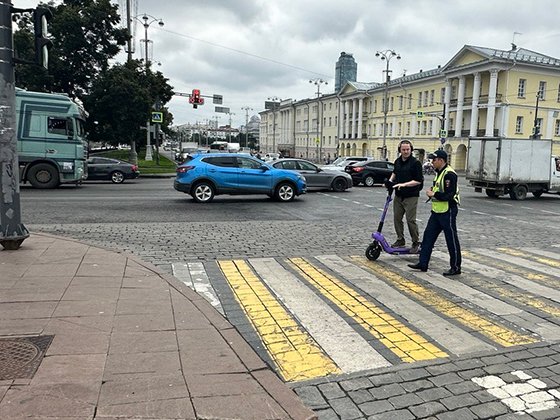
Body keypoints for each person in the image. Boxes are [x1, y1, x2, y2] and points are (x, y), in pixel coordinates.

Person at [408, 149, 462, 276]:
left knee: (451, 239)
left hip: (447, 211)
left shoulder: (450, 174)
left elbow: (449, 194)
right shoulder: (439, 172)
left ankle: (455, 267)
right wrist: (433, 192)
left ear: (441, 160)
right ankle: (423, 263)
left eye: (434, 160)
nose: (432, 162)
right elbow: (439, 189)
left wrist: (434, 194)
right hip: (437, 211)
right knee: (428, 238)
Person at [386, 140, 424, 253]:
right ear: (400, 150)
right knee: (397, 218)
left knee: (410, 220)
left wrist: (403, 184)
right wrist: (389, 181)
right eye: (403, 150)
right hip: (399, 195)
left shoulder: (415, 163)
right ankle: (400, 239)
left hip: (411, 195)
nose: (406, 151)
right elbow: (395, 172)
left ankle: (416, 242)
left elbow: (418, 181)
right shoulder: (398, 161)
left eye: (408, 149)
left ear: (411, 149)